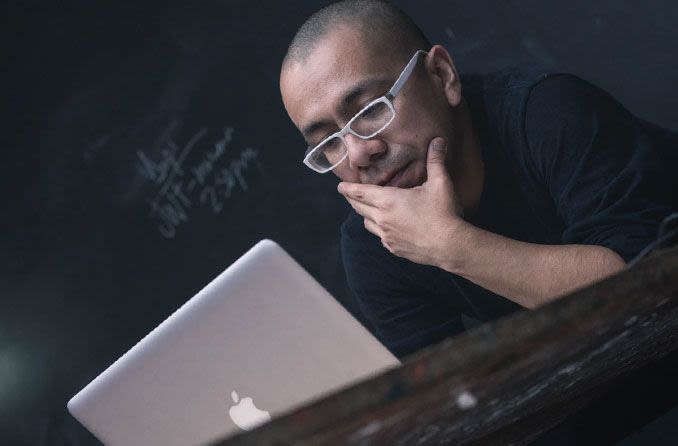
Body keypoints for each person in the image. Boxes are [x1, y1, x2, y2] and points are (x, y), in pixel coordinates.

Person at [279, 0, 677, 359]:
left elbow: (647, 292)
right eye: (329, 143)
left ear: (442, 75)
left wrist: (448, 244)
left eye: (370, 109)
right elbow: (440, 402)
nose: (360, 152)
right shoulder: (374, 242)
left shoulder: (548, 113)